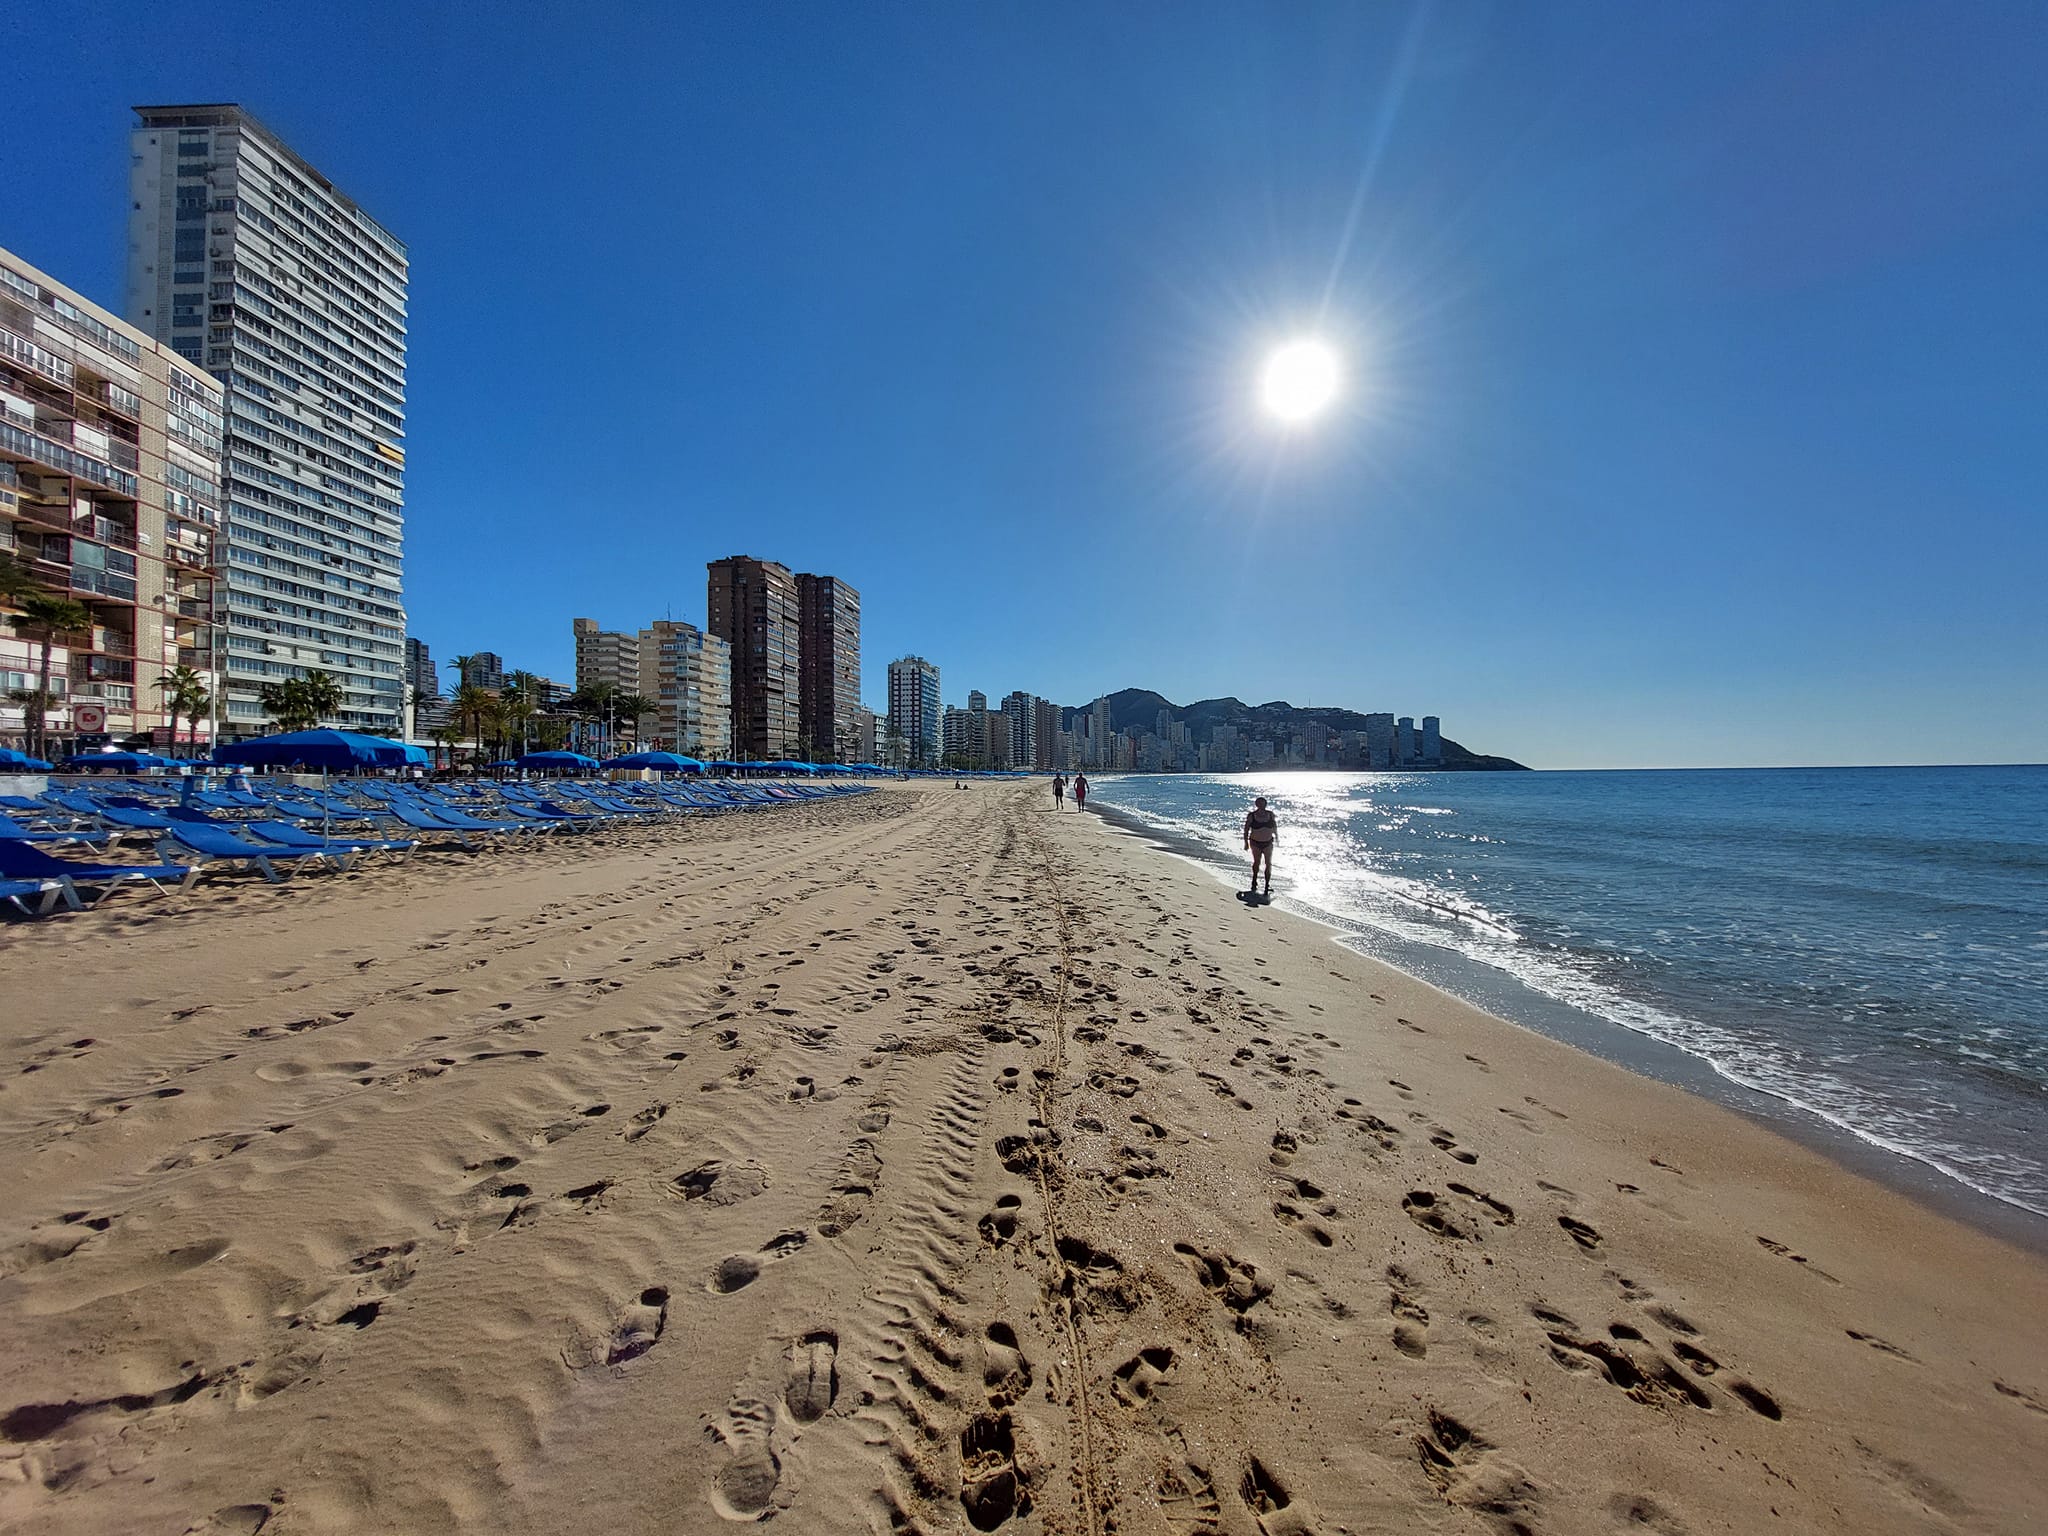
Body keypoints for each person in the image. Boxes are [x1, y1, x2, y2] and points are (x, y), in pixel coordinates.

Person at [1243, 796, 1277, 897]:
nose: (1262, 805)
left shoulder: (1270, 814)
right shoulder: (1252, 816)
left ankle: (1267, 884)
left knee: (1268, 863)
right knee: (1256, 862)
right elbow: (1246, 829)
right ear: (1256, 804)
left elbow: (1274, 826)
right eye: (1260, 803)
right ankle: (1254, 881)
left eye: (1263, 803)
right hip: (1255, 842)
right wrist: (1246, 843)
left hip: (1268, 842)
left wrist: (1277, 837)